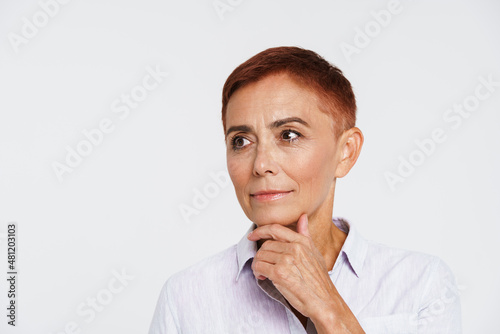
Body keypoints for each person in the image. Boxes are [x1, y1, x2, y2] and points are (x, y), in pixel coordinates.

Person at [148, 46, 462, 333]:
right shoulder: (185, 297)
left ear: (346, 152)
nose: (261, 165)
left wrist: (328, 307)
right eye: (240, 141)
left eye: (289, 134)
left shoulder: (422, 283)